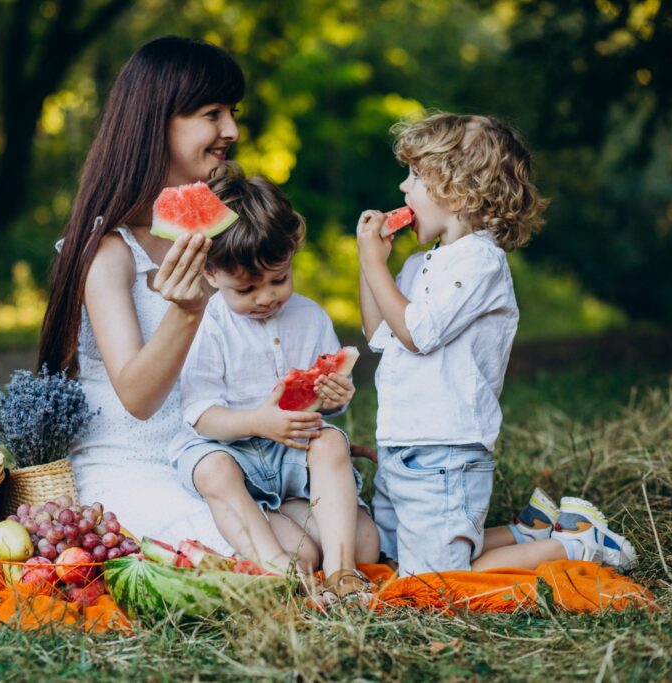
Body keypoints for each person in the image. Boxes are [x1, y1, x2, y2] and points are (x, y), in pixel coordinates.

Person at [357, 111, 637, 575]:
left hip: (446, 450)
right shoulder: (422, 264)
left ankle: (577, 547)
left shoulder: (479, 262)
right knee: (399, 556)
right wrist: (372, 266)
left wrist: (374, 267)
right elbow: (379, 335)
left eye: (416, 177)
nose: (403, 189)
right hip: (402, 444)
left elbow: (417, 333)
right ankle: (532, 532)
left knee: (438, 578)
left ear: (460, 189)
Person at [36, 36, 245, 552]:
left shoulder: (223, 232)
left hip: (217, 461)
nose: (232, 131)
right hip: (134, 471)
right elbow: (137, 397)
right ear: (159, 120)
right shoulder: (108, 252)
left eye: (232, 113)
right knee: (249, 552)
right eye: (212, 113)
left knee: (341, 535)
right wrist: (186, 311)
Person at [170, 163, 380, 600]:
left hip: (295, 454)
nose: (265, 298)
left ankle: (342, 571)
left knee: (363, 537)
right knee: (210, 468)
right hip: (234, 451)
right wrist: (257, 422)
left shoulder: (311, 316)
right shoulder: (207, 324)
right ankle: (274, 561)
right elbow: (200, 415)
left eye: (278, 280)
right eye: (246, 290)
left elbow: (325, 408)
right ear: (211, 274)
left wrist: (334, 398)